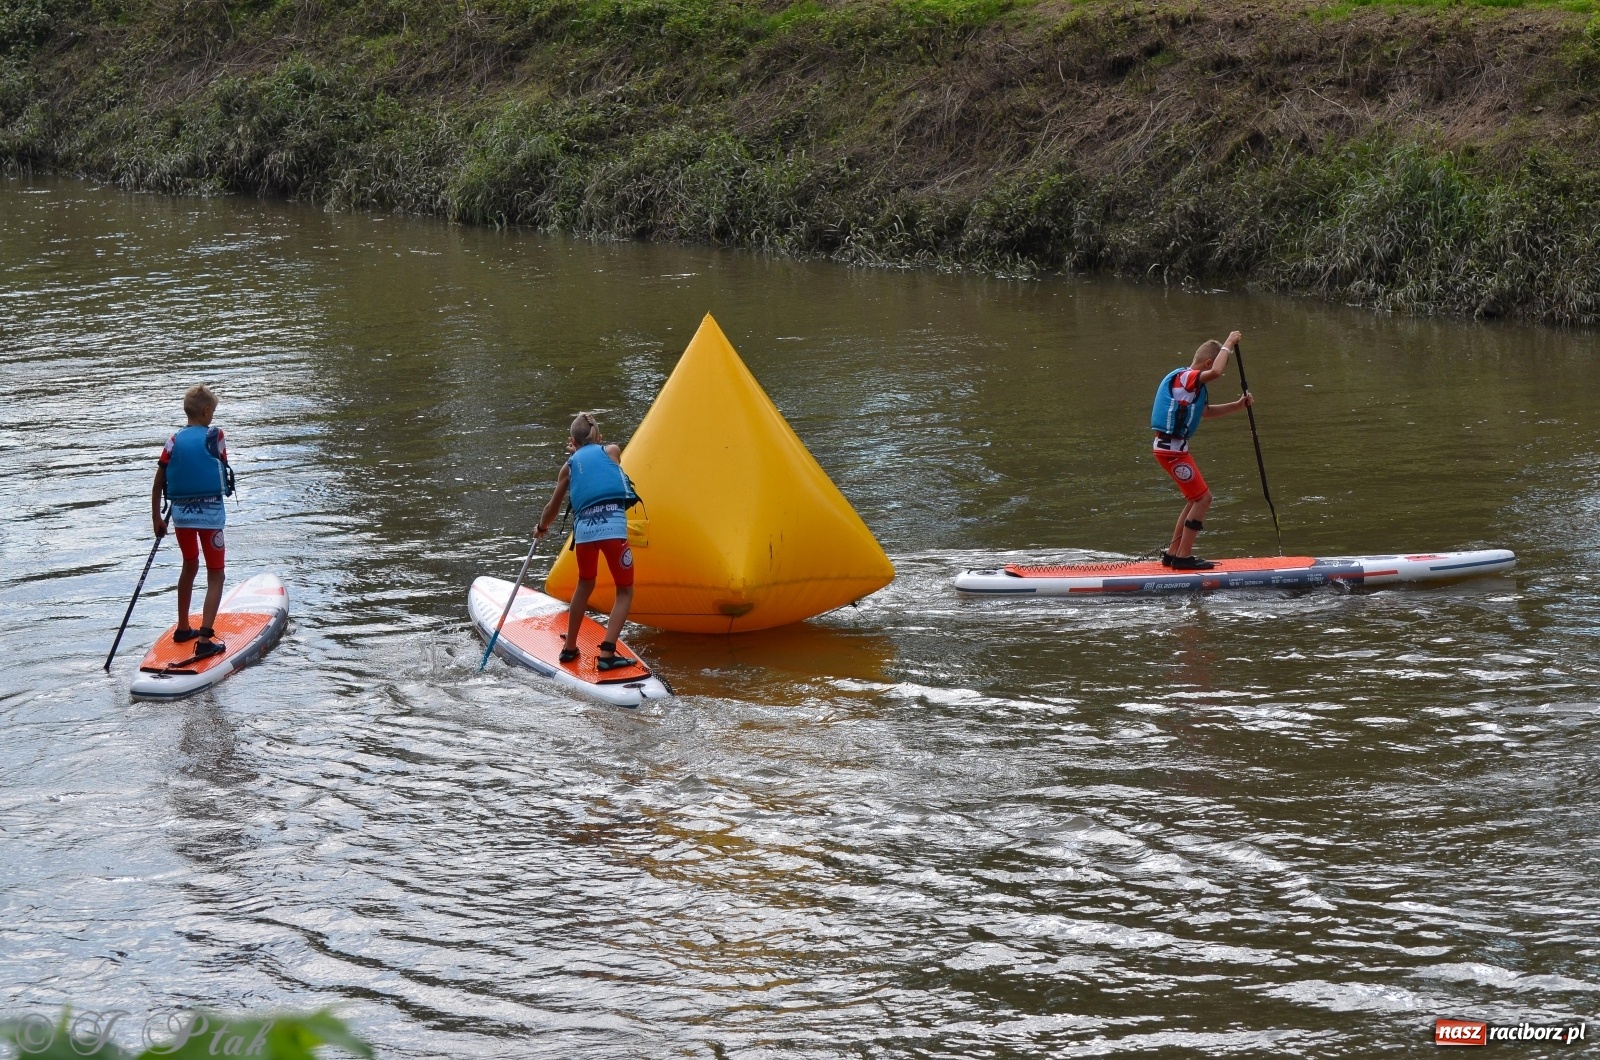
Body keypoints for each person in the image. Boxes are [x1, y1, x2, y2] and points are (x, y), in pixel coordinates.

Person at [534, 412, 639, 670]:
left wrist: (541, 528)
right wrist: (584, 447)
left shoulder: (568, 467)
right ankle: (606, 655)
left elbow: (553, 506)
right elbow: (600, 462)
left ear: (572, 440)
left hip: (585, 535)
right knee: (624, 590)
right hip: (613, 533)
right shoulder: (612, 450)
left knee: (585, 583)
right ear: (599, 436)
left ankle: (570, 648)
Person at [1150, 331, 1255, 570]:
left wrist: (1238, 406)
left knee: (1195, 499)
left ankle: (1173, 553)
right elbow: (1217, 372)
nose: (1219, 372)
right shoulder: (1187, 377)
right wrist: (1229, 342)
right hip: (1171, 451)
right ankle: (1183, 557)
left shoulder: (1191, 387)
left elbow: (1206, 413)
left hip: (1174, 449)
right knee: (1204, 498)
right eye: (1217, 364)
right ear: (1208, 363)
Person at [151, 384, 235, 657]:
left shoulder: (173, 440)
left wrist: (156, 518)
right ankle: (204, 639)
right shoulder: (215, 436)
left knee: (189, 565)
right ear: (207, 411)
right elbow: (220, 464)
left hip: (181, 518)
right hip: (210, 518)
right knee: (216, 574)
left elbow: (158, 482)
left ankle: (183, 627)